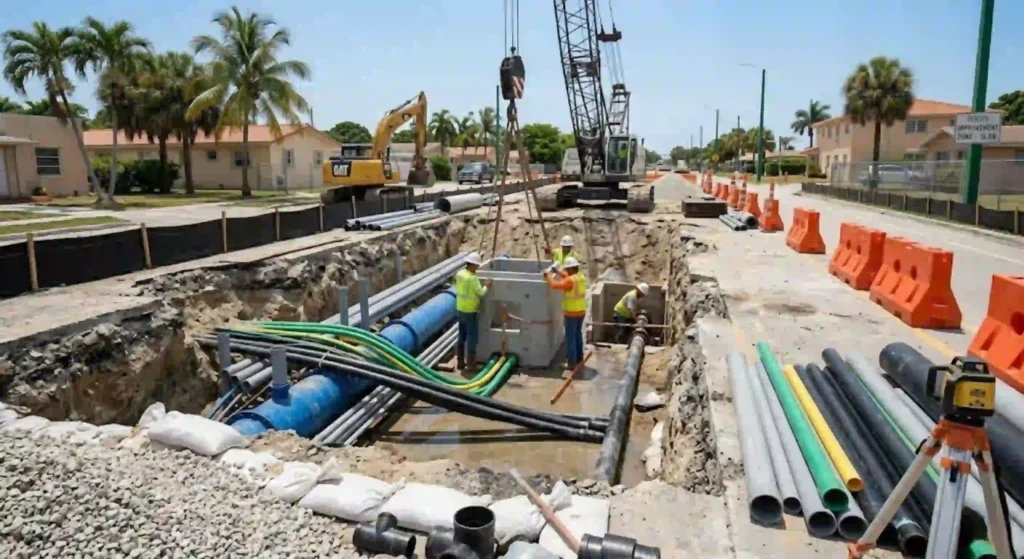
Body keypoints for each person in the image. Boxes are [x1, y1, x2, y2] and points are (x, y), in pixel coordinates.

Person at [544, 257, 587, 369]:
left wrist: (548, 276)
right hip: (581, 311)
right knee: (577, 335)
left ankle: (571, 362)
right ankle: (579, 358)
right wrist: (557, 271)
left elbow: (554, 285)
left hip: (571, 313)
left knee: (570, 337)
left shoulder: (569, 281)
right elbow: (568, 277)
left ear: (572, 269)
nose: (566, 271)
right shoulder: (581, 277)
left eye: (567, 269)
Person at [454, 251, 491, 371]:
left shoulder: (459, 274)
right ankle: (471, 364)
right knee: (472, 337)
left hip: (460, 309)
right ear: (472, 265)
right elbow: (481, 293)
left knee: (461, 335)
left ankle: (460, 362)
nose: (478, 267)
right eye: (477, 265)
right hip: (470, 311)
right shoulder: (473, 278)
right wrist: (487, 285)